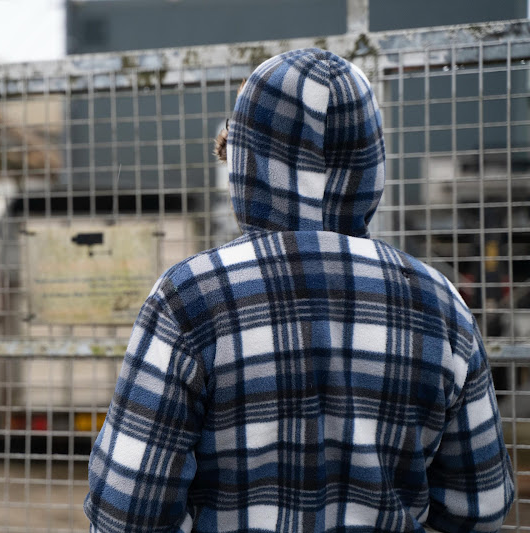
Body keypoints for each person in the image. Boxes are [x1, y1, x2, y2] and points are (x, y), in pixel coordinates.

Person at [83, 48, 514, 532]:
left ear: (248, 159)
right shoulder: (441, 303)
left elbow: (127, 510)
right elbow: (481, 506)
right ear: (371, 159)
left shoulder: (190, 297)